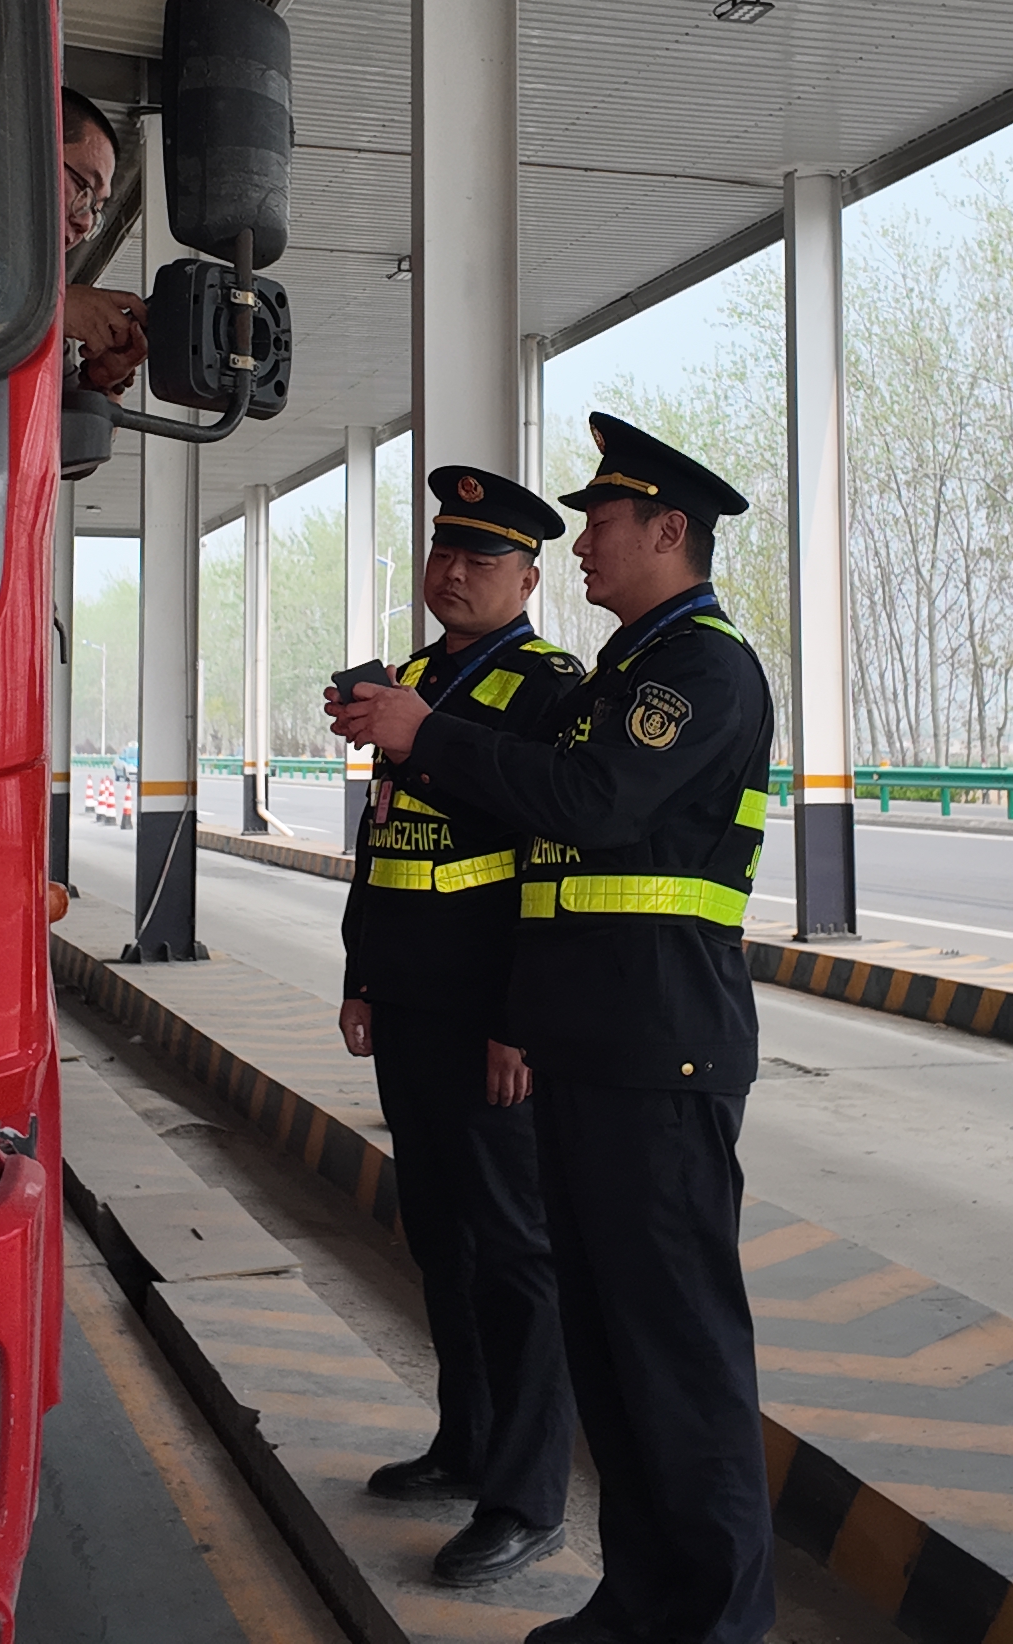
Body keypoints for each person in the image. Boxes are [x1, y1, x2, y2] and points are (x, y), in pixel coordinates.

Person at [328, 415, 777, 1644]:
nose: (584, 547)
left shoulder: (701, 670)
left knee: (677, 1354)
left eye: (600, 524)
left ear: (667, 532)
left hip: (658, 1049)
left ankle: (715, 1623)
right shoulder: (632, 669)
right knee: (616, 1350)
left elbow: (589, 803)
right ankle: (637, 1603)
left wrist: (428, 736)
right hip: (594, 1043)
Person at [325, 467, 585, 1591]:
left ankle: (526, 1496)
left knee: (517, 1256)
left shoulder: (550, 689)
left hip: (492, 1019)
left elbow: (553, 858)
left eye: (484, 558)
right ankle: (466, 1443)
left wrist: (523, 1021)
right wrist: (362, 974)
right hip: (410, 1006)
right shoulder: (413, 680)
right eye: (445, 552)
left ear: (529, 580)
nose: (456, 572)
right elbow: (381, 835)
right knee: (442, 1239)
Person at [58, 88, 146, 393]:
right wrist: (49, 307)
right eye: (83, 186)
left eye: (95, 208)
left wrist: (101, 383)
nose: (85, 223)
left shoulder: (50, 336)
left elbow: (74, 426)